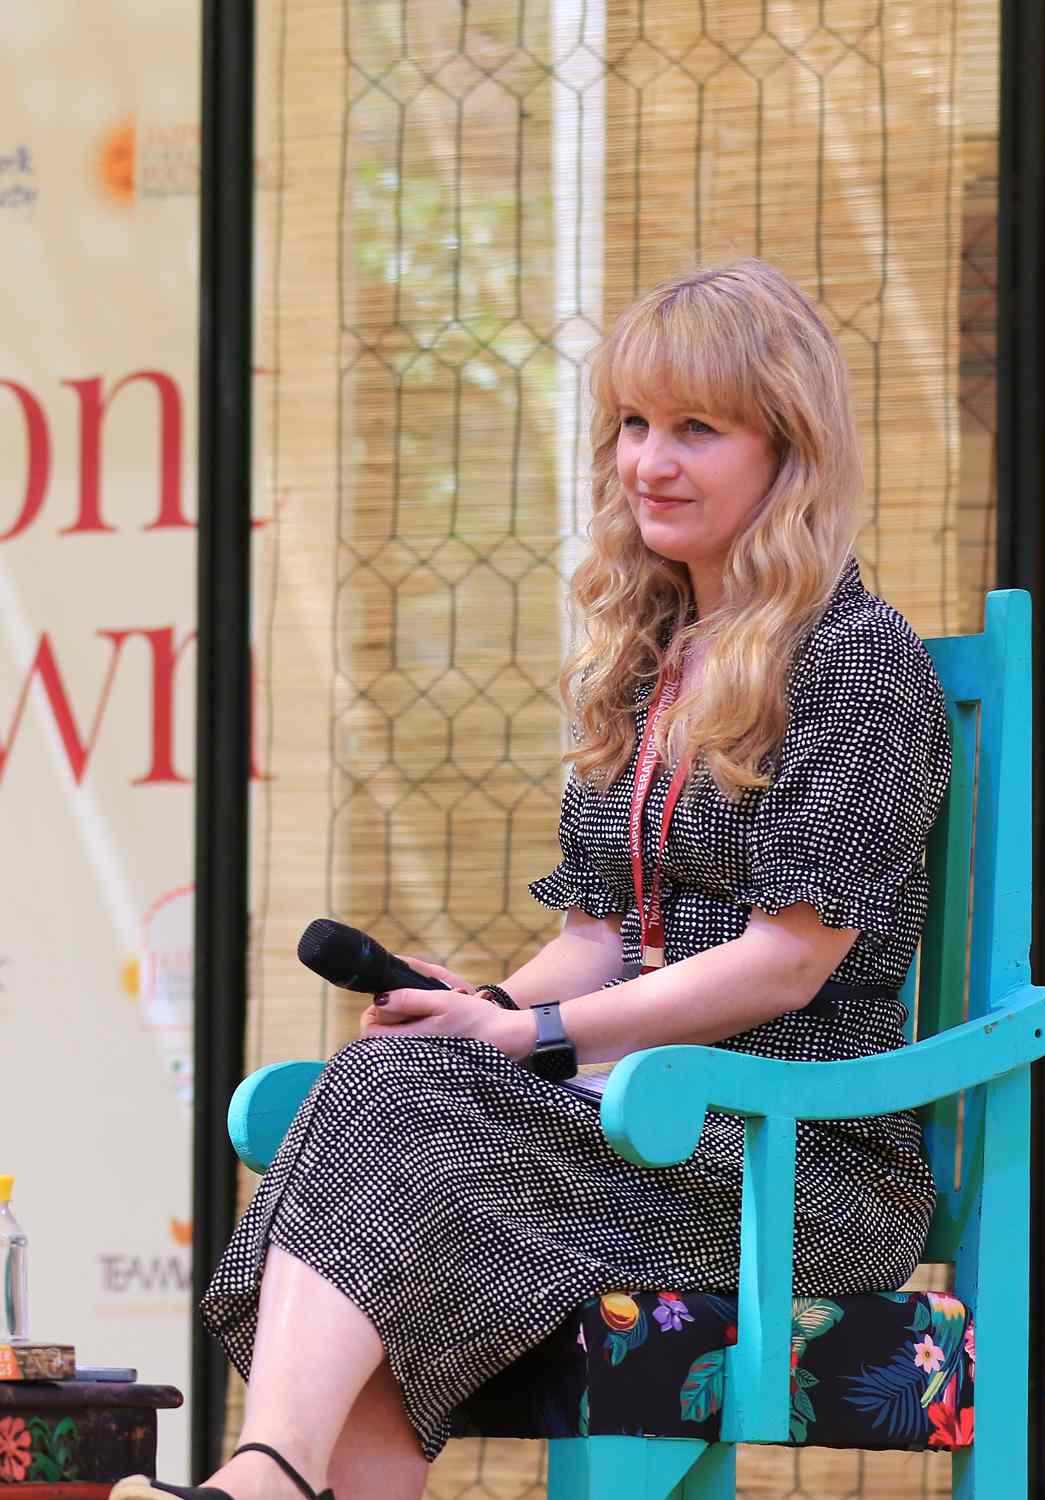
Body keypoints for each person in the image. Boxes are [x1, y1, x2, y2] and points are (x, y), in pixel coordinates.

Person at [112, 259, 949, 1500]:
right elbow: (599, 938)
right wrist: (490, 1011)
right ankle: (270, 1482)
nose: (648, 462)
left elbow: (790, 962)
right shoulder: (648, 654)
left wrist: (537, 1037)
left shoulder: (855, 660)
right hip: (628, 1120)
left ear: (791, 449)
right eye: (632, 424)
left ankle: (263, 1484)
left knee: (401, 1116)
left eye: (697, 430)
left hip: (798, 1160)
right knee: (391, 1079)